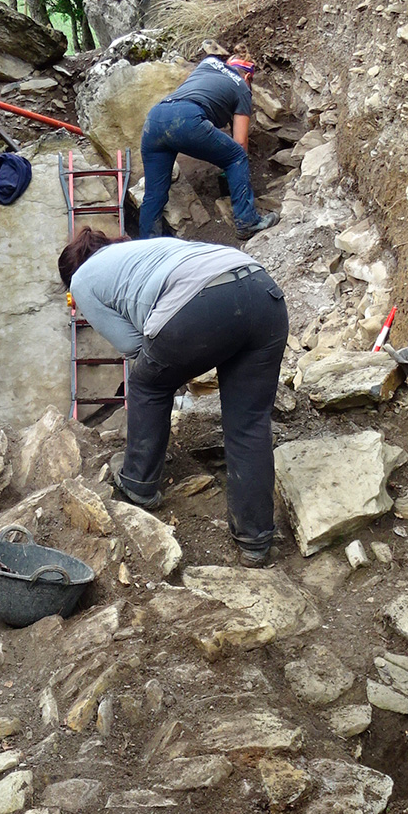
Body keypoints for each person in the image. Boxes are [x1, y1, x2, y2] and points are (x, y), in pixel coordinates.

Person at [60, 228, 288, 566]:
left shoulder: (81, 280)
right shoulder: (146, 251)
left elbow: (131, 346)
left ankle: (138, 482)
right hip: (263, 292)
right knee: (248, 424)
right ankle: (254, 540)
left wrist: (176, 352)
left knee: (147, 384)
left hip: (203, 304)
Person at [138, 53, 277, 241]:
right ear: (247, 77)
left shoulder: (207, 64)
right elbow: (240, 143)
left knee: (154, 193)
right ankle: (247, 222)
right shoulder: (242, 87)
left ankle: (148, 245)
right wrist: (234, 174)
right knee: (236, 156)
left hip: (155, 118)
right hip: (185, 118)